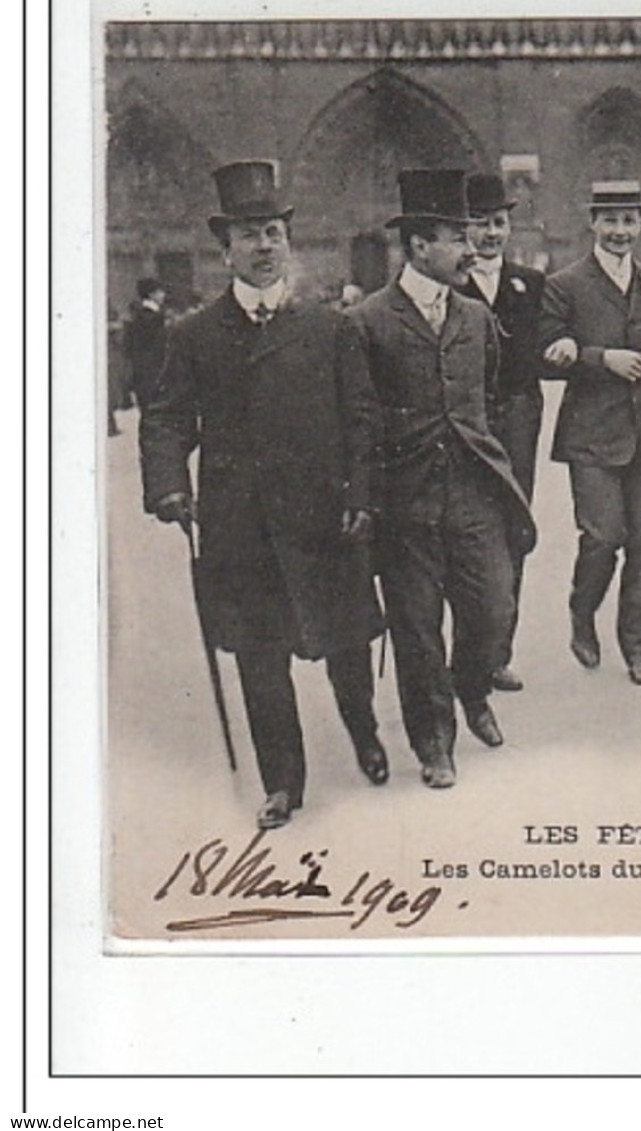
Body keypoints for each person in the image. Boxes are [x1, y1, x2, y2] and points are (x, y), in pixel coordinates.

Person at [140, 160, 388, 829]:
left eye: (273, 231)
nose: (263, 245)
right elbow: (165, 417)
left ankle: (363, 731)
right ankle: (283, 781)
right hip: (240, 524)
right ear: (226, 248)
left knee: (347, 642)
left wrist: (361, 494)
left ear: (288, 241)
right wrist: (167, 484)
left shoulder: (329, 329)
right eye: (249, 234)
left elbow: (361, 418)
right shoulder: (192, 335)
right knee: (259, 655)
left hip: (323, 513)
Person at [348, 169, 536, 788]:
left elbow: (484, 398)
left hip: (475, 494)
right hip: (406, 503)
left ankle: (473, 687)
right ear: (419, 247)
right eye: (456, 237)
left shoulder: (478, 319)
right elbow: (360, 418)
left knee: (492, 609)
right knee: (416, 628)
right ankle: (434, 742)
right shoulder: (369, 321)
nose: (471, 247)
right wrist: (367, 502)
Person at [538, 180, 641, 686]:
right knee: (602, 536)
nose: (620, 232)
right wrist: (601, 359)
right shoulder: (564, 284)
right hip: (591, 435)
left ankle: (637, 648)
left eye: (629, 221)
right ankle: (583, 611)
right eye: (610, 221)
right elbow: (549, 351)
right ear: (592, 223)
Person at [458, 173, 549, 692]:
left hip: (517, 419)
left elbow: (547, 346)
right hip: (467, 420)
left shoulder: (529, 285)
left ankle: (497, 652)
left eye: (498, 223)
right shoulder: (449, 284)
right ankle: (467, 647)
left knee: (513, 526)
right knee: (468, 531)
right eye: (478, 224)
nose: (490, 235)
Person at [123, 277, 168, 412]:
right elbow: (158, 346)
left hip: (142, 371)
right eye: (160, 292)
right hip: (152, 371)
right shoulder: (151, 318)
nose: (163, 295)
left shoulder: (139, 315)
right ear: (151, 294)